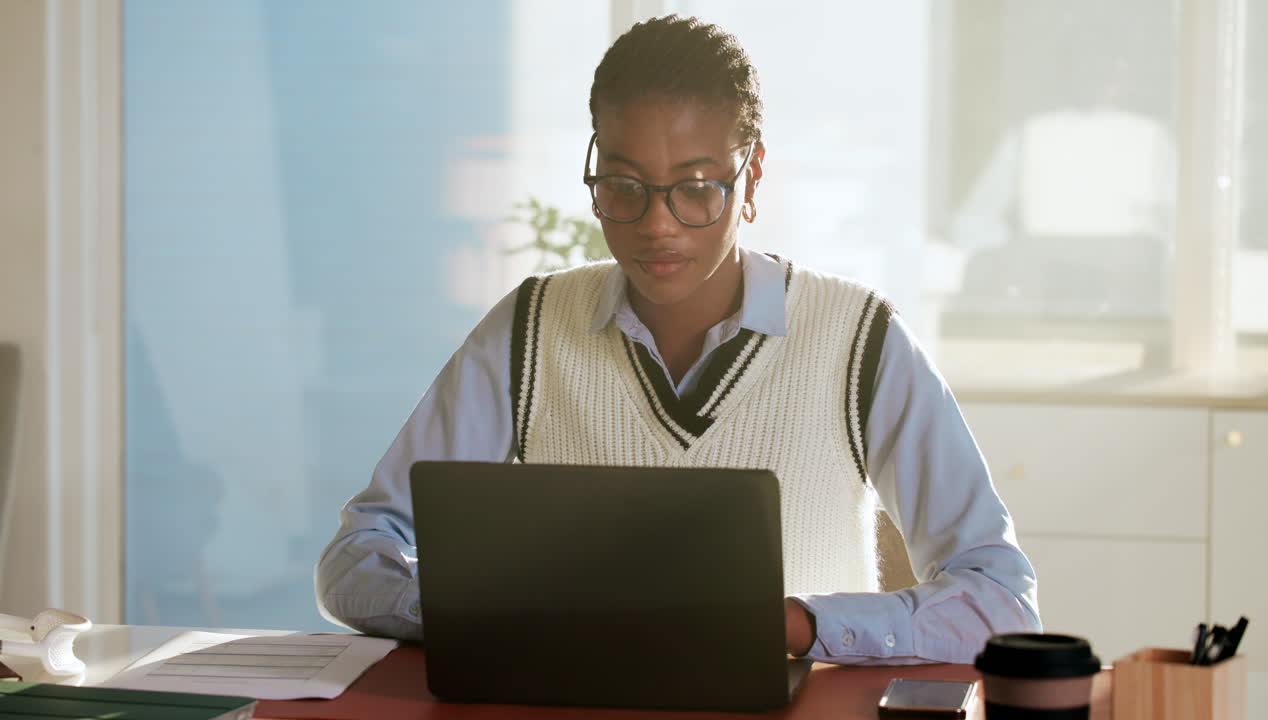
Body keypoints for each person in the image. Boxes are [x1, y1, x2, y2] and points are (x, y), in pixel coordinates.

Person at [316, 14, 1040, 665]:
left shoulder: (861, 340)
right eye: (623, 187)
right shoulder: (527, 329)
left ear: (750, 176)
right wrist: (493, 616)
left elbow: (999, 600)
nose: (656, 225)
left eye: (696, 187)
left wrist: (788, 625)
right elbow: (357, 557)